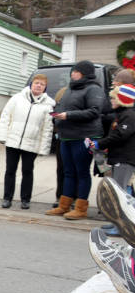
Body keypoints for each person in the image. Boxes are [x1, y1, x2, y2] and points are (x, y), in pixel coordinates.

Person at [46, 60, 105, 219]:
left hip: (84, 136)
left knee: (82, 172)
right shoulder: (69, 89)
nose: (72, 74)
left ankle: (81, 208)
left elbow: (94, 111)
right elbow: (61, 108)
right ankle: (64, 205)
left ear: (85, 73)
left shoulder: (94, 89)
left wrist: (68, 115)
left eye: (76, 71)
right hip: (66, 136)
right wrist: (56, 116)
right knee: (68, 171)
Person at [0, 74, 55, 209]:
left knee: (27, 171)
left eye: (42, 84)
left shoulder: (48, 105)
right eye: (36, 83)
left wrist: (43, 148)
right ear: (31, 84)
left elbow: (47, 128)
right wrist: (3, 136)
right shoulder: (17, 98)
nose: (38, 86)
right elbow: (6, 116)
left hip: (31, 144)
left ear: (45, 87)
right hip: (13, 141)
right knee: (10, 170)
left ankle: (25, 199)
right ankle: (7, 198)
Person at [90, 84, 135, 234]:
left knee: (121, 193)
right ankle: (117, 223)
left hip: (125, 159)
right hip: (118, 158)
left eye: (114, 98)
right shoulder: (121, 115)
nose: (111, 101)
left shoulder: (129, 116)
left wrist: (100, 143)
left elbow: (120, 136)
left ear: (122, 100)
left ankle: (123, 227)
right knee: (117, 192)